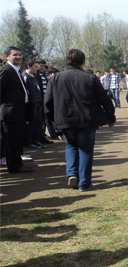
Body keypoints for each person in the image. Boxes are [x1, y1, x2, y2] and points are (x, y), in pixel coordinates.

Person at [44, 49, 116, 190]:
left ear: (67, 61)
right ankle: (84, 182)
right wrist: (110, 117)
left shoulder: (55, 78)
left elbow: (47, 102)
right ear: (83, 62)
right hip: (87, 120)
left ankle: (72, 173)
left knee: (71, 146)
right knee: (85, 150)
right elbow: (105, 100)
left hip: (66, 120)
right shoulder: (90, 78)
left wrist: (55, 119)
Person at [0, 47, 35, 173]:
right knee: (12, 141)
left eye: (20, 54)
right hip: (10, 113)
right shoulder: (6, 71)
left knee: (17, 139)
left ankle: (17, 163)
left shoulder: (16, 71)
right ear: (7, 56)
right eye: (15, 55)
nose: (18, 57)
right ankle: (15, 166)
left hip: (19, 112)